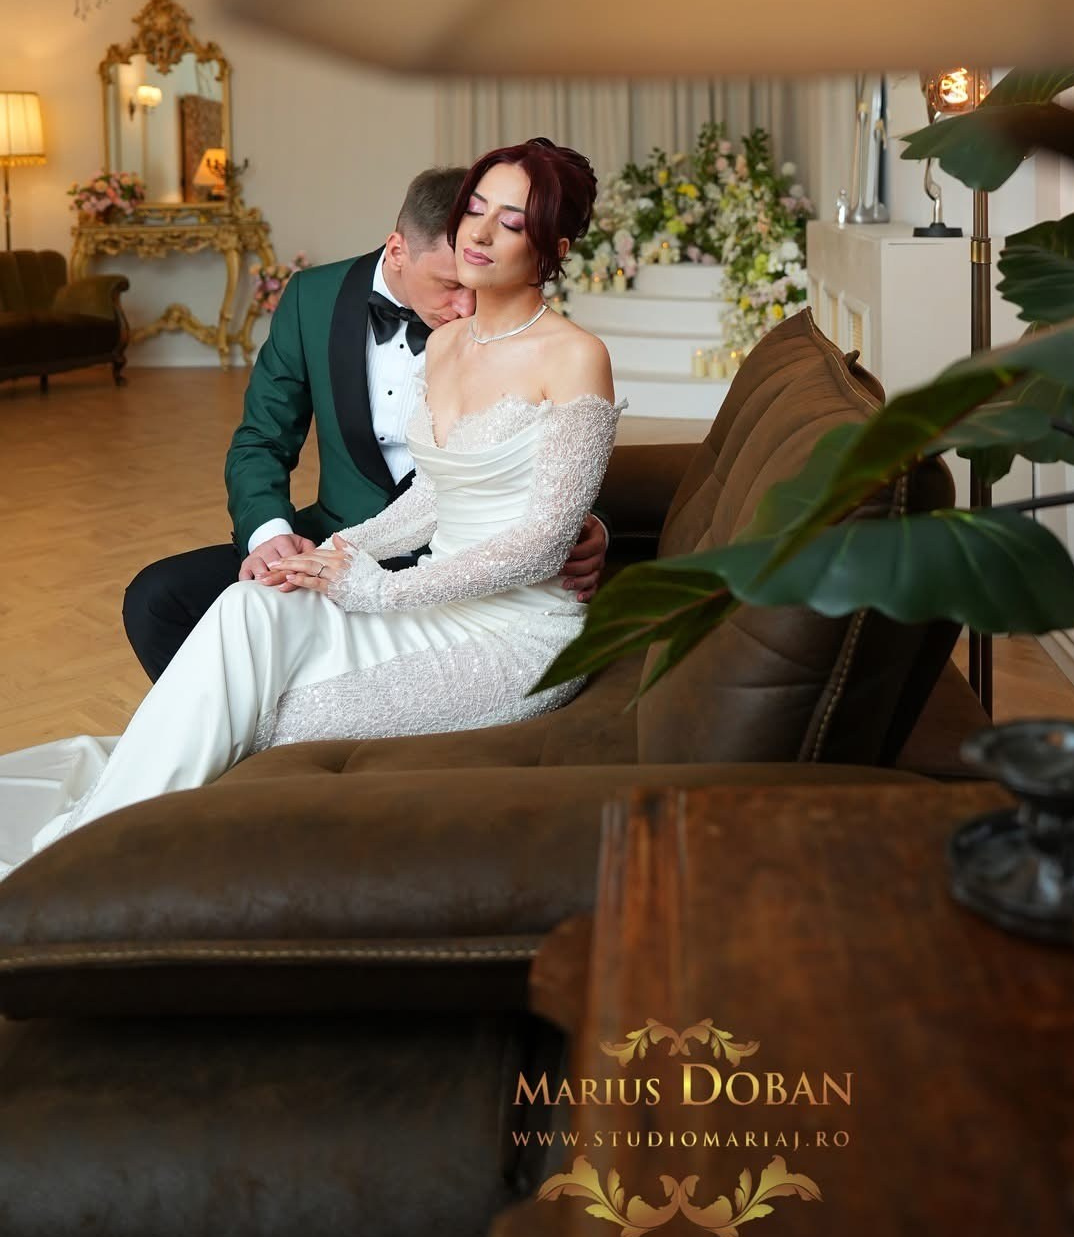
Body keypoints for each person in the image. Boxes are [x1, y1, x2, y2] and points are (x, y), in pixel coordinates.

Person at [0, 139, 625, 879]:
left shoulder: (576, 355)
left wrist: (377, 589)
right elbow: (432, 494)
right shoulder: (447, 344)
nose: (480, 234)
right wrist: (326, 555)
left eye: (511, 222)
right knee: (246, 603)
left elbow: (541, 540)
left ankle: (98, 861)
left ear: (552, 249)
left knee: (262, 706)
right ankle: (91, 843)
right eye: (475, 210)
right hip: (400, 579)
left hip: (515, 629)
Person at [121, 163, 609, 682]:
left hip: (467, 565)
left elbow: (555, 451)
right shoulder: (311, 300)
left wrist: (592, 525)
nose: (468, 306)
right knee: (158, 598)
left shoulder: (529, 331)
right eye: (450, 285)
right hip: (345, 538)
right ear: (397, 251)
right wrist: (271, 537)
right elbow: (261, 439)